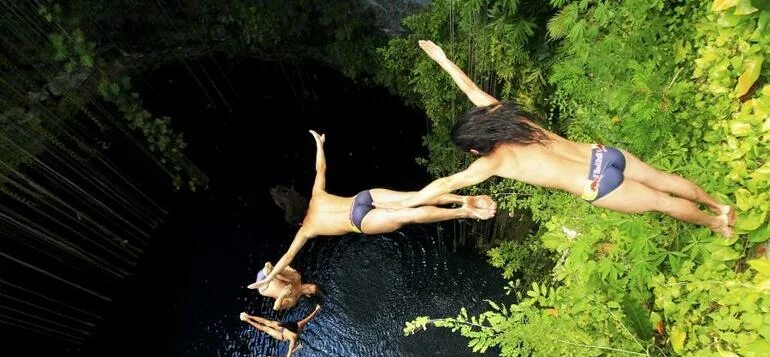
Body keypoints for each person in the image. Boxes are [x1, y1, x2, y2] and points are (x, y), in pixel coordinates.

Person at [377, 40, 735, 238]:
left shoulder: (493, 161)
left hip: (597, 183)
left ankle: (717, 223)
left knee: (663, 203)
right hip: (602, 155)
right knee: (664, 180)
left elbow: (445, 183)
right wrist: (442, 58)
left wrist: (404, 206)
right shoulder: (507, 117)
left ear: (475, 148)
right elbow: (472, 90)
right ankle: (719, 205)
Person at [250, 130, 497, 289]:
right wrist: (319, 144)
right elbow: (320, 169)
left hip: (359, 220)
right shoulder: (316, 196)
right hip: (363, 197)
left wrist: (269, 279)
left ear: (293, 219)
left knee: (409, 215)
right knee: (415, 196)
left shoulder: (306, 231)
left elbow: (288, 258)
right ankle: (465, 198)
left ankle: (465, 212)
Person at [240, 304, 321, 357]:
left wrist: (316, 309)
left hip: (282, 326)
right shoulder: (296, 332)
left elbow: (308, 318)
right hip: (280, 335)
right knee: (264, 328)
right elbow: (290, 350)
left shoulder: (297, 325)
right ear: (296, 329)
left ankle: (247, 316)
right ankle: (247, 319)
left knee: (267, 322)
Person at [247, 261, 320, 311]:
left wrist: (282, 295)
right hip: (268, 275)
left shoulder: (292, 300)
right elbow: (287, 267)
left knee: (289, 280)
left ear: (308, 295)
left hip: (263, 287)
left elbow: (276, 307)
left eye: (310, 289)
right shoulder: (298, 280)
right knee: (295, 276)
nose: (309, 287)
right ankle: (270, 271)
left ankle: (269, 274)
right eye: (310, 286)